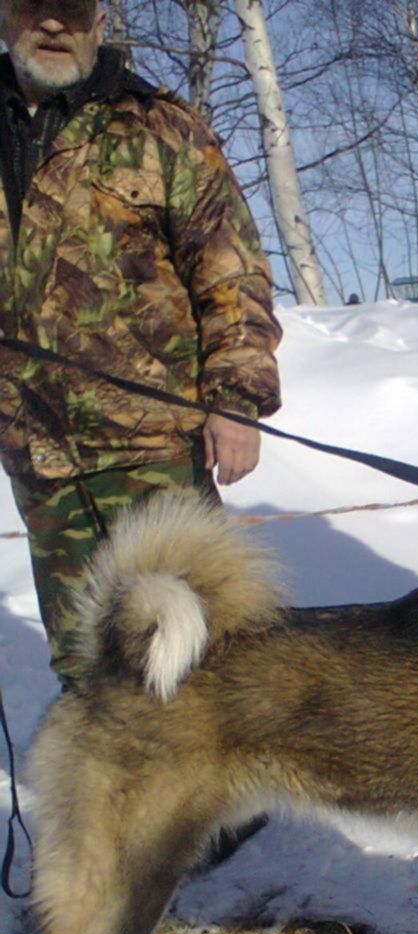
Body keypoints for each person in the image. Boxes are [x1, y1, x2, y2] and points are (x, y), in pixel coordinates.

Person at [0, 0, 282, 692]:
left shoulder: (161, 127)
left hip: (154, 448)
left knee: (196, 654)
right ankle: (117, 801)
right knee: (86, 661)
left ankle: (223, 804)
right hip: (36, 452)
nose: (54, 25)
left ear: (99, 21)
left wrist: (238, 399)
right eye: (35, 7)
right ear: (7, 18)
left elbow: (232, 271)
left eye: (71, 8)